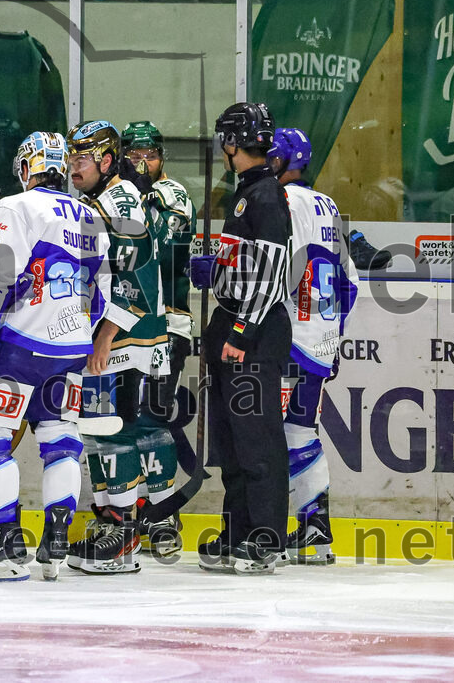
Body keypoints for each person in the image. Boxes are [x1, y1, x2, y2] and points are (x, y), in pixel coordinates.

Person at [0, 131, 111, 582]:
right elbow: (102, 296)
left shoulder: (18, 207)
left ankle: (5, 540)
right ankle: (56, 540)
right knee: (60, 434)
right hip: (73, 347)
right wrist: (75, 332)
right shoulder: (92, 216)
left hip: (21, 346)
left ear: (28, 167)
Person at [188, 101, 292, 575]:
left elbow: (272, 275)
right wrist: (220, 270)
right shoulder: (248, 191)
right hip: (232, 323)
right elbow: (251, 264)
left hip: (252, 331)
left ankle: (266, 539)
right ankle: (238, 533)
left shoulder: (267, 195)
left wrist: (241, 331)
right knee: (230, 441)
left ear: (232, 142)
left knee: (257, 438)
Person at [64, 120, 169, 574]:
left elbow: (138, 276)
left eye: (81, 158)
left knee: (113, 427)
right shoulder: (100, 199)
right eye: (70, 158)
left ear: (107, 161)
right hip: (117, 331)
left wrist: (105, 335)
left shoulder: (119, 200)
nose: (73, 166)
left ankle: (123, 534)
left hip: (127, 334)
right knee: (96, 428)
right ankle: (113, 520)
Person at [268, 127, 359, 565]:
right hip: (320, 342)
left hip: (288, 340)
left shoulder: (283, 202)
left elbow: (278, 273)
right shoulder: (329, 205)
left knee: (268, 436)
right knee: (302, 432)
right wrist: (332, 333)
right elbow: (351, 283)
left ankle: (265, 531)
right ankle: (315, 530)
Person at [122, 120, 195, 557]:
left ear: (161, 156)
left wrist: (139, 200)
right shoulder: (119, 195)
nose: (141, 162)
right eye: (133, 155)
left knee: (153, 418)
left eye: (148, 155)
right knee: (120, 423)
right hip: (124, 328)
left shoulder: (174, 194)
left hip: (168, 325)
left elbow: (163, 249)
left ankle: (164, 516)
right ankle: (127, 513)